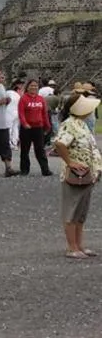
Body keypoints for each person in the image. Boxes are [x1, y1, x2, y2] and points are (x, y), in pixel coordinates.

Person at [53, 94, 102, 259]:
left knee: (81, 212)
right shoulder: (70, 125)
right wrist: (70, 162)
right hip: (76, 174)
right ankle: (71, 246)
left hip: (87, 174)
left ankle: (79, 245)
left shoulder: (82, 124)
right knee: (71, 211)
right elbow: (59, 144)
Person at [18, 79, 52, 176]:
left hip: (38, 127)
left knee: (40, 150)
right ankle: (24, 170)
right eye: (31, 86)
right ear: (27, 87)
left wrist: (47, 126)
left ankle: (45, 170)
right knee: (25, 150)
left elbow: (44, 113)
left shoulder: (41, 99)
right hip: (27, 128)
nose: (34, 87)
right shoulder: (23, 98)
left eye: (35, 86)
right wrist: (25, 124)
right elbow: (21, 113)